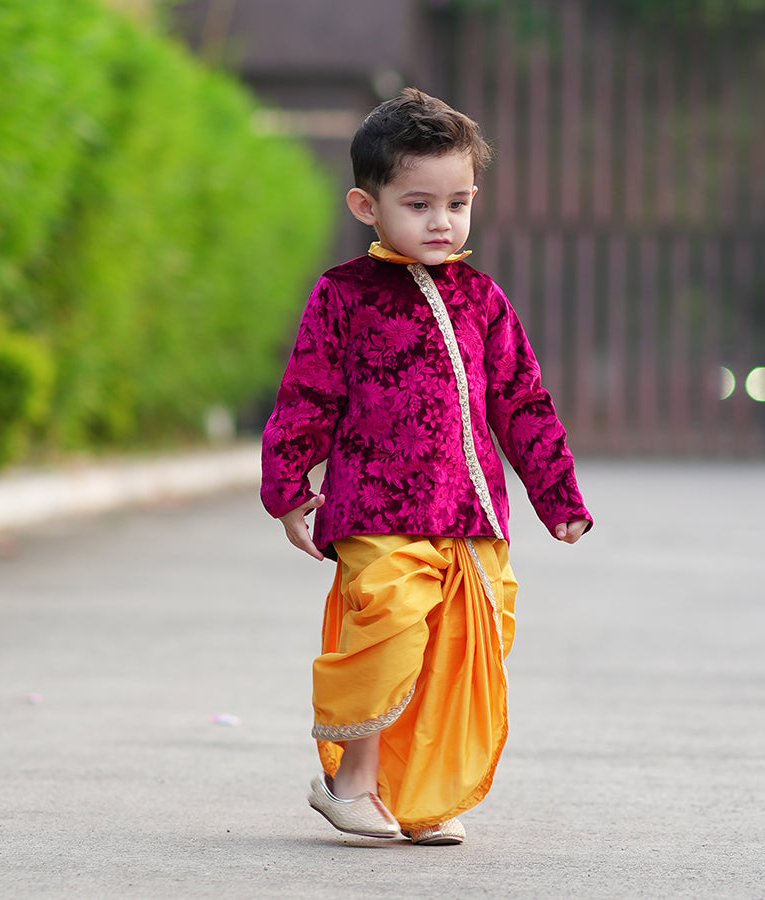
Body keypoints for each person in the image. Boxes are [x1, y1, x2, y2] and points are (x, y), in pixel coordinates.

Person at [260, 87, 592, 846]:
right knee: (391, 631)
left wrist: (557, 493)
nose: (442, 222)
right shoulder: (343, 297)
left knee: (454, 657)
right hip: (374, 509)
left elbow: (522, 400)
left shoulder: (483, 299)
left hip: (472, 517)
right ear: (366, 205)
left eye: (458, 203)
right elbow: (307, 392)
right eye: (419, 204)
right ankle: (351, 783)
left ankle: (417, 796)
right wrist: (288, 488)